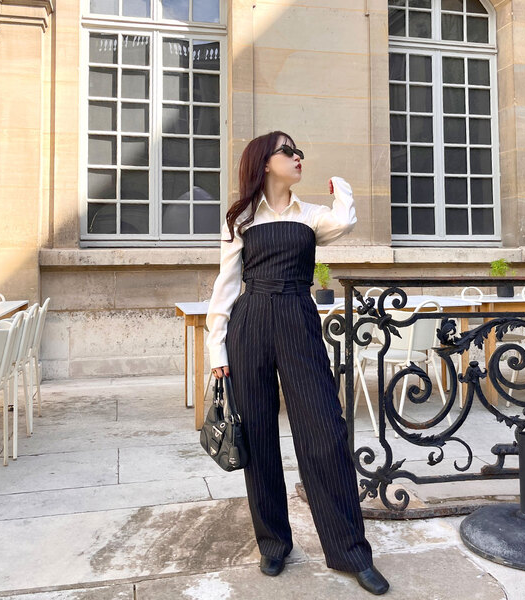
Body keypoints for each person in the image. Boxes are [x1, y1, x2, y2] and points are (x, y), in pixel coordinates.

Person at [205, 131, 389, 595]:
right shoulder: (241, 218)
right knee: (259, 437)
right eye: (287, 152)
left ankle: (351, 552)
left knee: (325, 433)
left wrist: (341, 188)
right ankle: (273, 544)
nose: (297, 157)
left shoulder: (310, 216)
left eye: (299, 151)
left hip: (297, 318)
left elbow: (344, 222)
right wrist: (216, 349)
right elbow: (226, 285)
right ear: (265, 162)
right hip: (250, 322)